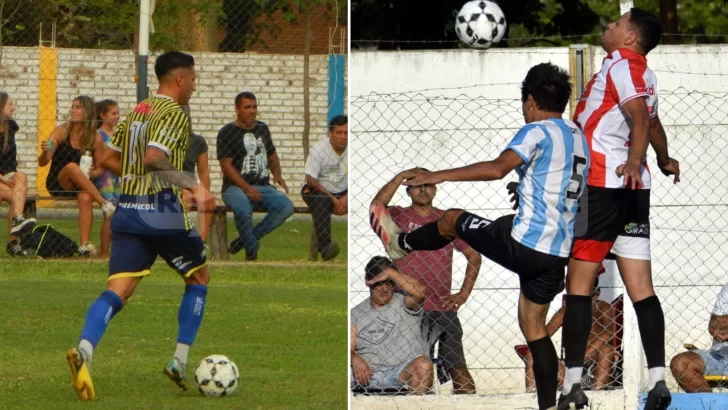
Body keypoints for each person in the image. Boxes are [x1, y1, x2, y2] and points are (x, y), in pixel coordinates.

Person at [369, 62, 589, 410]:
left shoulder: (535, 131)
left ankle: (401, 244)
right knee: (534, 328)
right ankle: (550, 406)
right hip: (556, 252)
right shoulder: (577, 136)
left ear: (530, 101)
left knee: (453, 219)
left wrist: (438, 175)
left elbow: (497, 168)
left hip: (525, 244)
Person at [65, 51, 216, 401]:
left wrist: (134, 177)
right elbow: (154, 157)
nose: (194, 85)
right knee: (198, 278)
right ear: (179, 79)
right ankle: (179, 360)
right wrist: (193, 185)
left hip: (129, 212)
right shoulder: (175, 113)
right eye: (193, 79)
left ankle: (84, 350)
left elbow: (105, 159)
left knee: (120, 289)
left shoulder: (138, 110)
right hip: (162, 212)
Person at [558, 8, 680, 410]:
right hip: (634, 190)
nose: (608, 26)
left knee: (578, 282)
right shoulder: (645, 72)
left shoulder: (623, 67)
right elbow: (654, 122)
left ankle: (573, 384)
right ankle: (659, 381)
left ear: (630, 38)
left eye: (616, 23)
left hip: (603, 184)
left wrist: (633, 157)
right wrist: (663, 159)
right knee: (641, 287)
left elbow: (639, 118)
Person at [371, 167, 482, 394]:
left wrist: (463, 294)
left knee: (460, 371)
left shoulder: (447, 220)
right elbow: (376, 206)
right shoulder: (399, 216)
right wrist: (401, 176)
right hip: (407, 308)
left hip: (443, 307)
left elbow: (474, 256)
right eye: (417, 185)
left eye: (428, 184)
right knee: (418, 372)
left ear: (435, 189)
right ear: (408, 191)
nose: (423, 190)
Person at [216, 91, 294, 261]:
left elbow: (272, 155)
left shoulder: (262, 128)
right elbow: (226, 166)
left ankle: (245, 240)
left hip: (263, 186)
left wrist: (278, 175)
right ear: (237, 109)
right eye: (247, 107)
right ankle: (252, 251)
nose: (252, 111)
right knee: (243, 210)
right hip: (234, 188)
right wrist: (247, 189)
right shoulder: (227, 132)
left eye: (254, 107)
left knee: (286, 207)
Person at [38, 95, 116, 256]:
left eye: (78, 107)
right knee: (72, 167)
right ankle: (104, 203)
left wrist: (92, 173)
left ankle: (84, 246)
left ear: (87, 112)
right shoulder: (60, 131)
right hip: (58, 182)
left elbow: (101, 167)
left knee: (85, 197)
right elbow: (43, 162)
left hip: (82, 183)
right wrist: (45, 151)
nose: (73, 110)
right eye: (72, 106)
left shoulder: (95, 137)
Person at [350, 256, 433, 395]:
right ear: (368, 281)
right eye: (378, 284)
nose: (384, 289)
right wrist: (355, 359)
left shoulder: (405, 303)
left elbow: (420, 292)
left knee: (423, 366)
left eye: (389, 283)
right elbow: (348, 347)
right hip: (369, 376)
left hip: (402, 372)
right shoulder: (356, 313)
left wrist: (391, 273)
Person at [525, 276, 615, 392]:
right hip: (570, 358)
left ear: (596, 294)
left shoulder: (603, 307)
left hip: (593, 357)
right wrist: (556, 362)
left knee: (607, 350)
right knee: (532, 352)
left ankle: (597, 392)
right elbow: (542, 336)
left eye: (589, 296)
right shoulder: (566, 310)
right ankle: (531, 395)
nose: (584, 302)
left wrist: (582, 357)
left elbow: (609, 334)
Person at [301, 114, 348, 261]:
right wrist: (334, 200)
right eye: (339, 133)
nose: (343, 137)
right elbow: (311, 180)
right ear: (331, 133)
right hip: (321, 191)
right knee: (319, 200)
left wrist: (346, 199)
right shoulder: (319, 149)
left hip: (346, 192)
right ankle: (326, 248)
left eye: (347, 133)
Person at [670, 283, 728, 393]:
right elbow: (714, 327)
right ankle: (709, 405)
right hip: (720, 358)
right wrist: (721, 325)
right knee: (681, 364)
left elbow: (722, 323)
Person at [0, 92, 36, 255]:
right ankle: (12, 243)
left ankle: (18, 219)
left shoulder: (11, 126)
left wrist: (7, 180)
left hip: (7, 175)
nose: (13, 107)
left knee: (21, 176)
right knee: (17, 195)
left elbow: (10, 163)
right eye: (10, 104)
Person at [180, 105, 212, 242]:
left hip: (191, 185)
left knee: (207, 200)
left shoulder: (197, 142)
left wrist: (204, 191)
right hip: (170, 184)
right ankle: (181, 240)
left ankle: (201, 242)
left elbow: (204, 172)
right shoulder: (165, 140)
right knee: (185, 199)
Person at [94, 99, 121, 257]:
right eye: (113, 113)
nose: (117, 116)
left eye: (118, 113)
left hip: (118, 178)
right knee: (109, 214)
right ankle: (104, 252)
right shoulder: (99, 136)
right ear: (102, 115)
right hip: (106, 179)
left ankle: (115, 251)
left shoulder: (118, 134)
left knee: (119, 214)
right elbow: (101, 161)